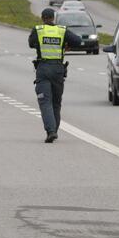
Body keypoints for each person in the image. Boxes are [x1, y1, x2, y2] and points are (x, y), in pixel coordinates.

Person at [28, 8, 82, 143]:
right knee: (56, 103)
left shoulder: (38, 30)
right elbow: (78, 40)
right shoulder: (62, 30)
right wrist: (66, 45)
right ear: (53, 18)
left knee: (45, 101)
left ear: (42, 18)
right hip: (58, 69)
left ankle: (51, 131)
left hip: (43, 68)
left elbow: (30, 44)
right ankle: (54, 130)